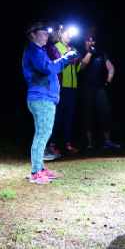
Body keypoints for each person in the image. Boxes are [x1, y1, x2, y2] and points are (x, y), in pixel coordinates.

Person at [22, 22, 77, 184]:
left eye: (47, 33)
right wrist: (65, 58)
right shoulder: (34, 50)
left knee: (43, 134)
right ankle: (35, 172)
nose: (47, 35)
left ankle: (40, 168)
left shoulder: (39, 51)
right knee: (42, 134)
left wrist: (65, 59)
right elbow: (48, 69)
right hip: (41, 97)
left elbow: (50, 67)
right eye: (43, 33)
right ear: (33, 34)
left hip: (44, 97)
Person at [79, 34, 121, 150]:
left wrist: (108, 80)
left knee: (105, 112)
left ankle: (107, 141)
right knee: (88, 115)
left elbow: (111, 68)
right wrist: (90, 53)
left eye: (93, 41)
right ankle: (89, 143)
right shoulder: (81, 53)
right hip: (86, 89)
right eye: (88, 41)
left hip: (100, 89)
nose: (91, 42)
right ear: (85, 42)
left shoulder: (101, 54)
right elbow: (81, 66)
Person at [51, 25, 81, 154]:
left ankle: (67, 144)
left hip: (72, 87)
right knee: (57, 116)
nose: (70, 35)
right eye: (67, 33)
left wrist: (78, 61)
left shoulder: (73, 48)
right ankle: (52, 145)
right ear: (60, 34)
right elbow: (55, 64)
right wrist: (68, 57)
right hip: (60, 86)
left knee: (69, 116)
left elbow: (77, 69)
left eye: (71, 34)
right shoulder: (56, 47)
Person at [43, 25, 63, 161]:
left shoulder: (54, 47)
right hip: (44, 88)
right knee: (44, 120)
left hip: (54, 88)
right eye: (57, 31)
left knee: (51, 120)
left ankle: (49, 147)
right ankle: (44, 150)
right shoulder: (44, 48)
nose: (58, 34)